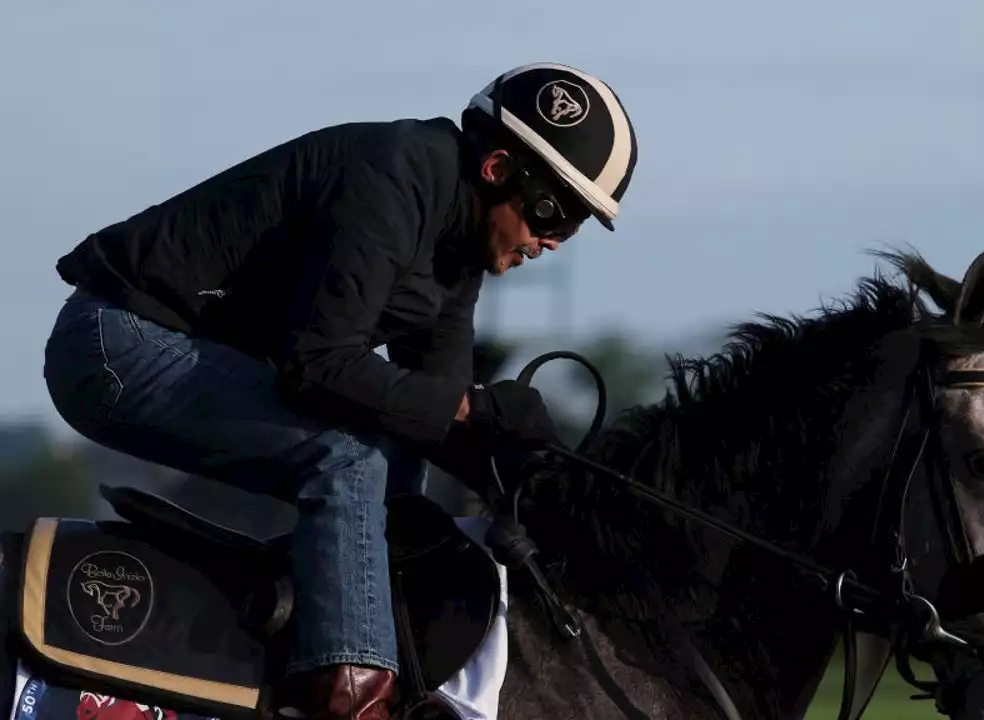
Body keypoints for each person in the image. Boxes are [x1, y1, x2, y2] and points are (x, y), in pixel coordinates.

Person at [42, 62, 638, 719]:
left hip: (179, 350)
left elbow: (435, 410)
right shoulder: (394, 175)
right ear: (498, 167)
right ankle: (354, 703)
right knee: (350, 454)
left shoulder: (455, 249)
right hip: (113, 344)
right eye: (556, 213)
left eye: (576, 225)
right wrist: (472, 407)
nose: (553, 240)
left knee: (396, 455)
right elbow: (318, 364)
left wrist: (539, 472)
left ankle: (362, 655)